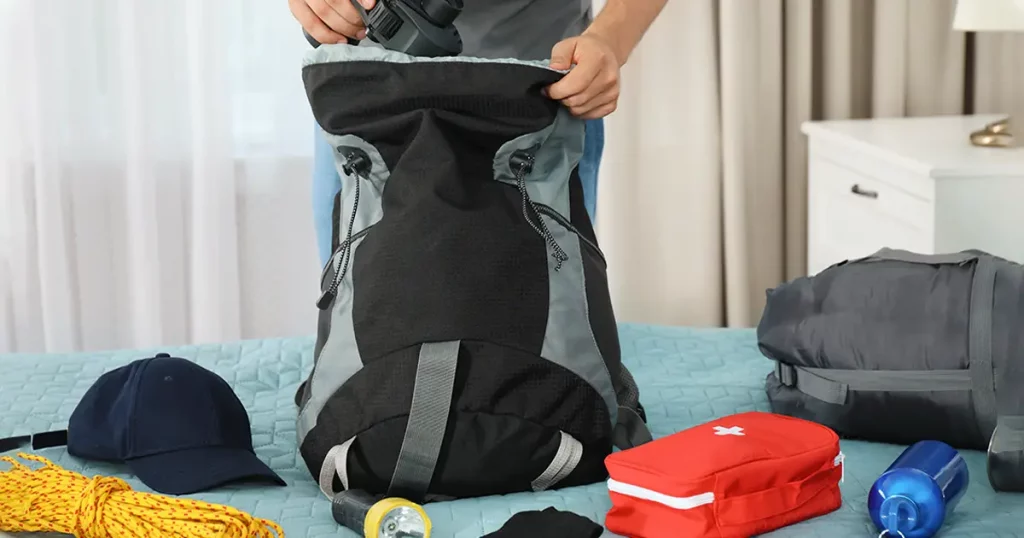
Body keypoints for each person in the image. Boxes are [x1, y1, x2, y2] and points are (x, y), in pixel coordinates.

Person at [289, 0, 668, 266]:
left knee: (537, 332)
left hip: (540, 101)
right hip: (368, 100)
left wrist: (608, 41)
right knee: (365, 327)